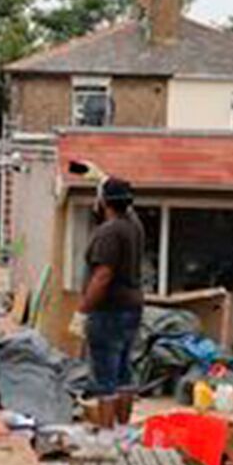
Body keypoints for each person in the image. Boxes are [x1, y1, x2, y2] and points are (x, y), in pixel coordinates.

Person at [78, 177, 145, 428]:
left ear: (104, 201)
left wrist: (83, 310)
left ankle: (107, 436)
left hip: (108, 310)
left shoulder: (109, 232)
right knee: (124, 372)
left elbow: (103, 275)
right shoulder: (134, 225)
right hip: (132, 308)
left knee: (104, 377)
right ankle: (123, 431)